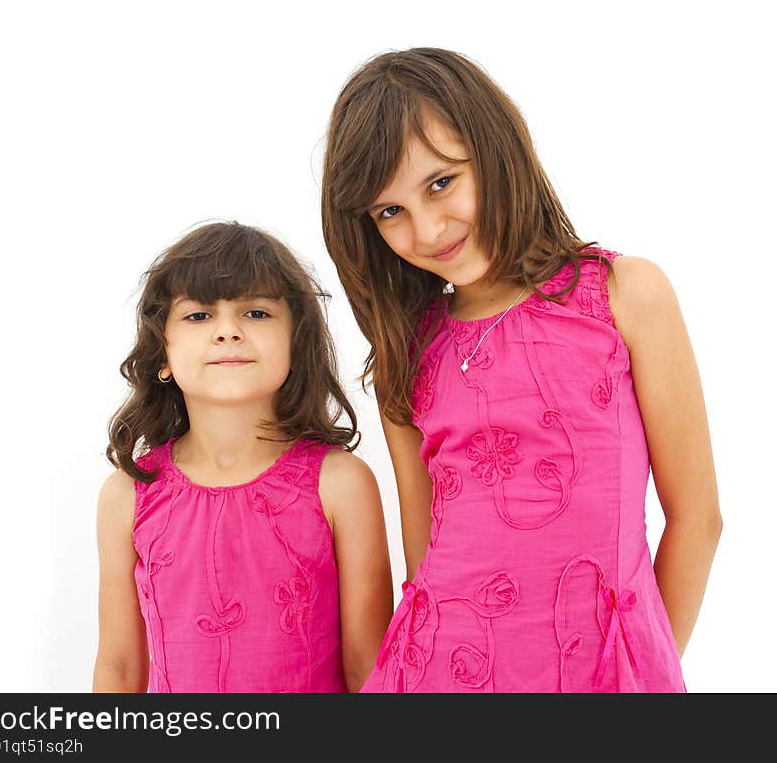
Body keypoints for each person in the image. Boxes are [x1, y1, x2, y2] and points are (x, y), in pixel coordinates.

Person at [321, 48, 722, 692]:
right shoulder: (409, 353)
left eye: (440, 183)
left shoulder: (623, 295)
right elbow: (424, 563)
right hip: (439, 675)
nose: (427, 229)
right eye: (389, 211)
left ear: (494, 147)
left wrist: (639, 669)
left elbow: (698, 517)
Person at [93, 221, 393, 693]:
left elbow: (370, 670)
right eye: (198, 316)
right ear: (162, 354)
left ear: (296, 344)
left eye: (255, 313)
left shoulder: (341, 484)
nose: (228, 332)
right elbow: (120, 667)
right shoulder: (128, 493)